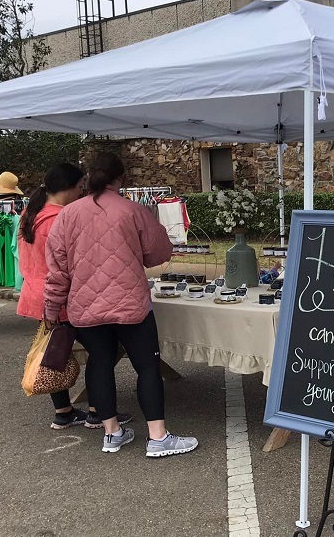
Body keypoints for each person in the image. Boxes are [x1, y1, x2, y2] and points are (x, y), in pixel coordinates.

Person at [44, 153, 198, 456]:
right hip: (131, 303)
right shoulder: (133, 210)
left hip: (84, 306)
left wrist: (51, 310)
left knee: (100, 362)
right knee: (147, 366)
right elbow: (158, 252)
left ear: (88, 177)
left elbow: (56, 270)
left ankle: (111, 432)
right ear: (121, 178)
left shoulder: (67, 215)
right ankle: (158, 437)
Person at [17, 163, 131, 430]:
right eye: (80, 187)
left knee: (57, 351)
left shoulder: (30, 215)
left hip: (38, 296)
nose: (82, 193)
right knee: (103, 351)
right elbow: (75, 262)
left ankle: (64, 411)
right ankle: (98, 412)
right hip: (66, 298)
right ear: (68, 187)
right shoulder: (62, 218)